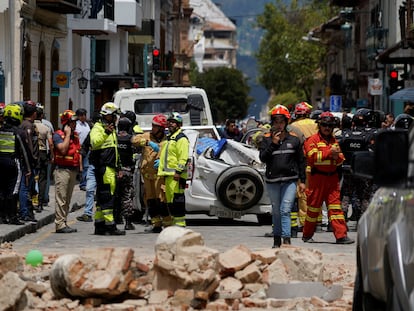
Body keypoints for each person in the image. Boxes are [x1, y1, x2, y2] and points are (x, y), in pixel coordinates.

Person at [302, 111, 354, 244]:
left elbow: (341, 159)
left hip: (332, 179)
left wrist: (336, 157)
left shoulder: (333, 140)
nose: (327, 128)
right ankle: (307, 234)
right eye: (324, 125)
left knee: (336, 208)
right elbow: (313, 157)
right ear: (319, 125)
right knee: (313, 209)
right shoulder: (312, 140)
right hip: (317, 179)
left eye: (330, 126)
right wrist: (330, 153)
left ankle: (341, 236)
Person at [259, 105, 306, 248]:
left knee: (285, 209)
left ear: (286, 122)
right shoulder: (266, 139)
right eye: (276, 121)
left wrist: (302, 181)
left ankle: (286, 239)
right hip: (272, 181)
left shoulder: (294, 140)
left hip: (289, 180)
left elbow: (301, 161)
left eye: (281, 121)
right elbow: (263, 158)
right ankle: (277, 239)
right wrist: (273, 144)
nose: (278, 124)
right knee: (276, 210)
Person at [89, 102, 125, 236]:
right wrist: (105, 132)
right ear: (108, 116)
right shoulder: (99, 127)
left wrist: (118, 167)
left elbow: (114, 150)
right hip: (104, 167)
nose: (117, 118)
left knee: (102, 197)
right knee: (108, 197)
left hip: (111, 167)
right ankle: (110, 226)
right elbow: (94, 143)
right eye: (115, 115)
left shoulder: (110, 128)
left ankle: (99, 224)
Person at [132, 114, 169, 233]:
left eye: (156, 126)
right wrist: (147, 143)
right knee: (150, 200)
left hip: (160, 175)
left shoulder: (167, 140)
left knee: (162, 200)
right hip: (147, 175)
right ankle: (156, 224)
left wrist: (162, 160)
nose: (153, 127)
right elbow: (134, 140)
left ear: (162, 128)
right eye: (153, 125)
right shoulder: (147, 136)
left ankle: (168, 224)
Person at [339, 108, 377, 222]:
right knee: (365, 196)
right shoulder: (370, 135)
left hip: (348, 170)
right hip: (363, 172)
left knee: (346, 194)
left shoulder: (346, 135)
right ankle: (363, 220)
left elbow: (340, 150)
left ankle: (341, 218)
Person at [287, 101, 318, 236]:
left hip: (302, 162)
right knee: (315, 192)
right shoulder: (316, 124)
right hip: (317, 161)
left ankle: (305, 222)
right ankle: (316, 220)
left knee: (303, 194)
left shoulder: (292, 126)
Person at [157, 112, 189, 227]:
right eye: (169, 122)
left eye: (173, 122)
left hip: (176, 176)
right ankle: (175, 224)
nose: (170, 124)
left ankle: (180, 225)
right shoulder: (170, 138)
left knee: (177, 201)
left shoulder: (181, 139)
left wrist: (178, 172)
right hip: (169, 175)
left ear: (179, 125)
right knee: (171, 202)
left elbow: (183, 157)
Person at [52, 110, 81, 233]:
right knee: (61, 199)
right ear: (66, 123)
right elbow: (63, 150)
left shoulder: (76, 136)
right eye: (72, 122)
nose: (75, 125)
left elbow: (78, 152)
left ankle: (63, 222)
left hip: (72, 170)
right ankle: (59, 224)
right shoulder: (58, 135)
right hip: (62, 171)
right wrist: (68, 135)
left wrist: (80, 169)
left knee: (67, 199)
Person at [0, 104, 29, 225]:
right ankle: (12, 216)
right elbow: (24, 151)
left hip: (1, 162)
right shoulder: (19, 133)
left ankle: (2, 216)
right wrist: (28, 168)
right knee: (13, 190)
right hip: (14, 163)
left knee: (1, 189)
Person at [114, 116, 137, 230]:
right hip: (127, 170)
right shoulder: (130, 138)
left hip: (115, 171)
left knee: (115, 195)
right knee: (127, 196)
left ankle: (116, 218)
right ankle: (128, 222)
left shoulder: (114, 137)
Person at [19, 101, 39, 222]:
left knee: (29, 188)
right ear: (34, 113)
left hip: (28, 162)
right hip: (28, 163)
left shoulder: (25, 124)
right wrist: (32, 161)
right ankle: (24, 212)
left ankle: (28, 211)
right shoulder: (28, 126)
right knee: (25, 188)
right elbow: (30, 146)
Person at [34, 104, 53, 212]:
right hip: (42, 153)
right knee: (42, 179)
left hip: (31, 153)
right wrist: (52, 155)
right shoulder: (46, 127)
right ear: (41, 116)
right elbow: (50, 144)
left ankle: (31, 201)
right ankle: (40, 202)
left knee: (31, 177)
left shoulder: (28, 126)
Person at [75, 108, 91, 191]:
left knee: (86, 166)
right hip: (79, 148)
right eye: (81, 115)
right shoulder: (76, 125)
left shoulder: (87, 124)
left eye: (84, 115)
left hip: (87, 148)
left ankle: (83, 183)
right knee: (79, 166)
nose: (83, 117)